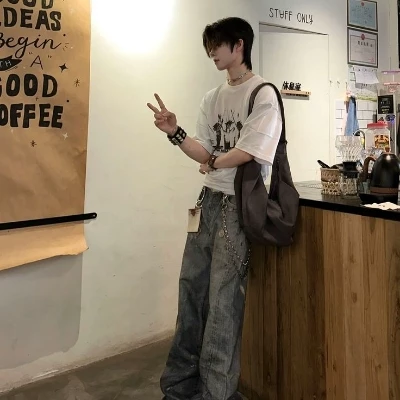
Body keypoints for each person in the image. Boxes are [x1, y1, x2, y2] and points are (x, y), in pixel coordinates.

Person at [147, 17, 282, 400]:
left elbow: (249, 151)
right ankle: (179, 387)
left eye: (216, 45)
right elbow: (204, 151)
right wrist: (175, 132)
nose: (211, 53)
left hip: (238, 205)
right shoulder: (212, 97)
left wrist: (214, 161)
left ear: (238, 45)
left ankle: (216, 393)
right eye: (209, 46)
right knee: (191, 290)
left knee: (224, 301)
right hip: (207, 201)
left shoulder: (263, 94)